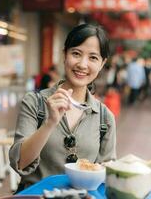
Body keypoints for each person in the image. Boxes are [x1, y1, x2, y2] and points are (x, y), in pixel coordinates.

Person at [9, 24, 116, 191]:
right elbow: (20, 162)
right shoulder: (34, 102)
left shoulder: (105, 117)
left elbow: (107, 176)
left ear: (102, 63)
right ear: (64, 55)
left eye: (93, 58)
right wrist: (50, 123)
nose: (82, 64)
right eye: (76, 54)